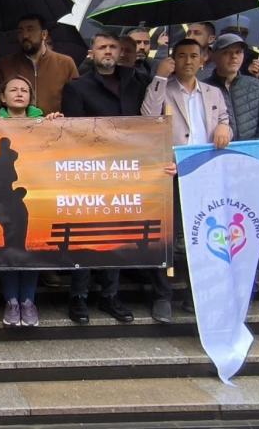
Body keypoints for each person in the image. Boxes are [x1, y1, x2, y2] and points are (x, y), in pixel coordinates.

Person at [62, 32, 149, 323]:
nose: (108, 51)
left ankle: (110, 295)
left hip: (126, 170)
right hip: (90, 172)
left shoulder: (137, 82)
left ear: (121, 51)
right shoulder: (77, 87)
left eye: (113, 47)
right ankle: (79, 296)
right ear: (92, 52)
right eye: (102, 47)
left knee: (117, 234)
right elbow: (74, 133)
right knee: (86, 236)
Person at [141, 38, 232, 315]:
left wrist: (225, 128)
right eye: (181, 55)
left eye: (194, 55)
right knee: (166, 238)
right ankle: (162, 296)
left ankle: (198, 293)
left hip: (205, 174)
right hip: (172, 172)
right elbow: (148, 117)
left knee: (203, 235)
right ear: (173, 59)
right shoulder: (164, 89)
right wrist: (159, 77)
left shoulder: (213, 92)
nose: (188, 61)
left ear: (203, 59)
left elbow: (224, 120)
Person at [0, 75, 62, 326]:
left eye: (24, 90)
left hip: (35, 193)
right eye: (13, 90)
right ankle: (11, 301)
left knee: (31, 244)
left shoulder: (44, 122)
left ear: (31, 97)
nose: (19, 93)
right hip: (3, 197)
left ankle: (28, 301)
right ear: (3, 97)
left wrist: (57, 125)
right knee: (8, 246)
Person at [0, 14, 79, 116]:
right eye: (20, 31)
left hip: (55, 124)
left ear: (44, 34)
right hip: (16, 125)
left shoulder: (65, 63)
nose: (25, 35)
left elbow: (75, 102)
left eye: (30, 29)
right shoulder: (6, 64)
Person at [204, 33, 259, 142]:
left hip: (253, 150)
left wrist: (254, 148)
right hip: (217, 150)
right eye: (226, 52)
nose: (234, 56)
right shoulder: (203, 89)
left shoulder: (258, 86)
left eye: (238, 52)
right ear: (214, 56)